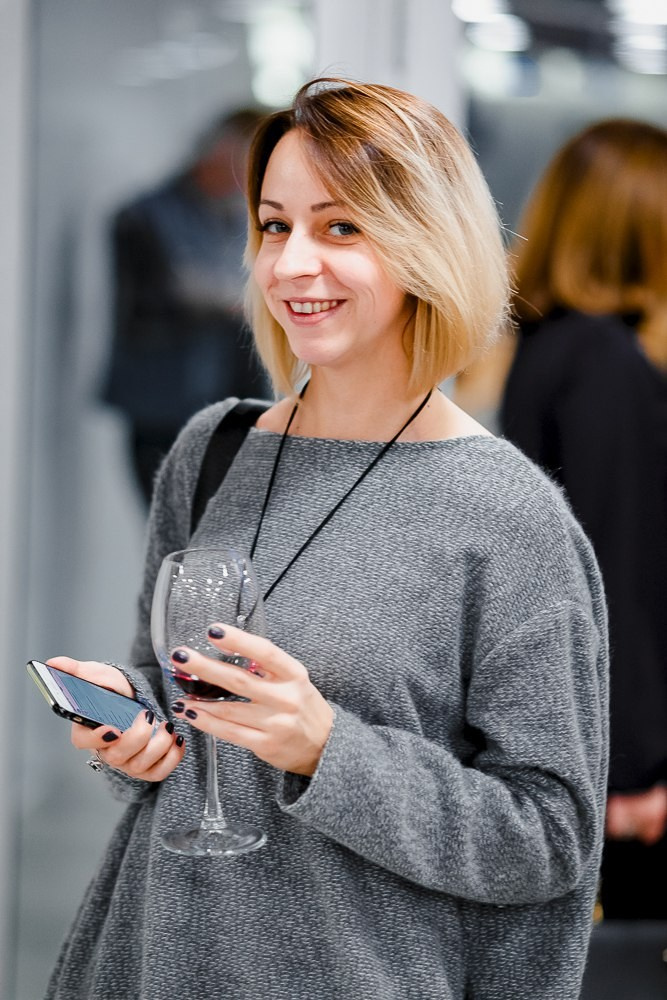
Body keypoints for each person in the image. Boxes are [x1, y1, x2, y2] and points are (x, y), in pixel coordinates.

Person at [45, 79, 608, 1000]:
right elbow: (176, 713)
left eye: (340, 227)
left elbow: (545, 838)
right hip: (151, 963)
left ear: (425, 243)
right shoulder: (215, 449)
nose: (292, 263)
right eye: (273, 225)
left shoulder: (508, 518)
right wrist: (130, 724)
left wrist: (326, 749)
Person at [500, 118, 667, 920]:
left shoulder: (554, 348)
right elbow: (613, 568)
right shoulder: (604, 365)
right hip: (625, 759)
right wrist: (630, 771)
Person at [102, 107, 269, 505]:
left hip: (224, 397)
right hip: (166, 398)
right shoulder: (146, 215)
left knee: (219, 532)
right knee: (176, 533)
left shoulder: (230, 213)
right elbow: (186, 289)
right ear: (223, 155)